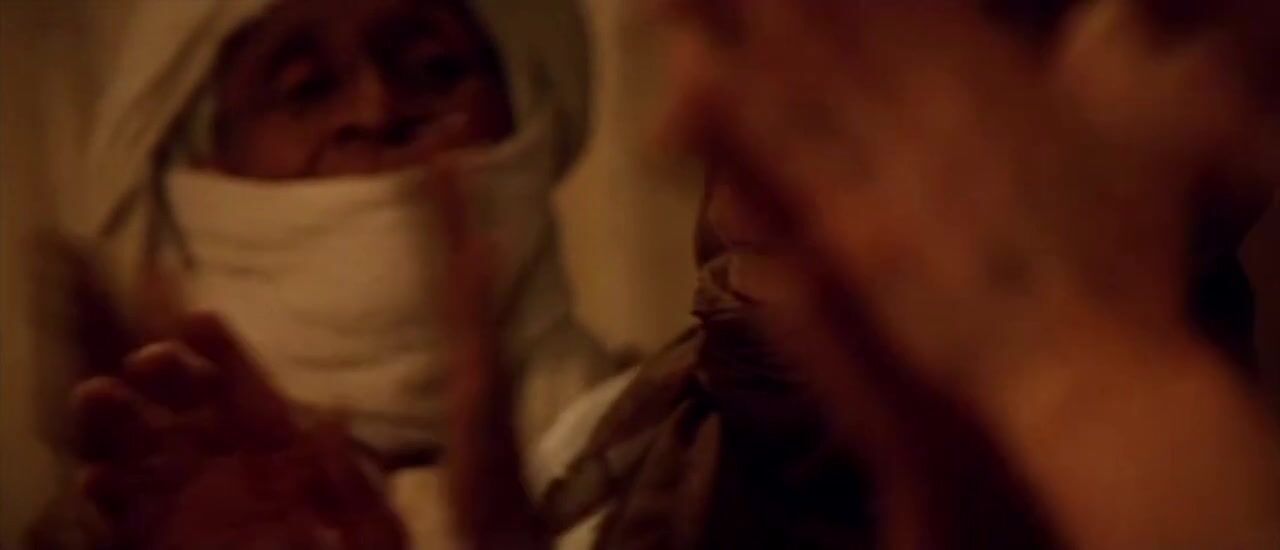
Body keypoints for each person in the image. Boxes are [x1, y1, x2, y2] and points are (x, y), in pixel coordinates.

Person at [43, 0, 613, 547]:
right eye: (307, 88)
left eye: (433, 68)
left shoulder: (657, 456)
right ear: (201, 170)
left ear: (523, 108)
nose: (377, 110)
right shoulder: (110, 528)